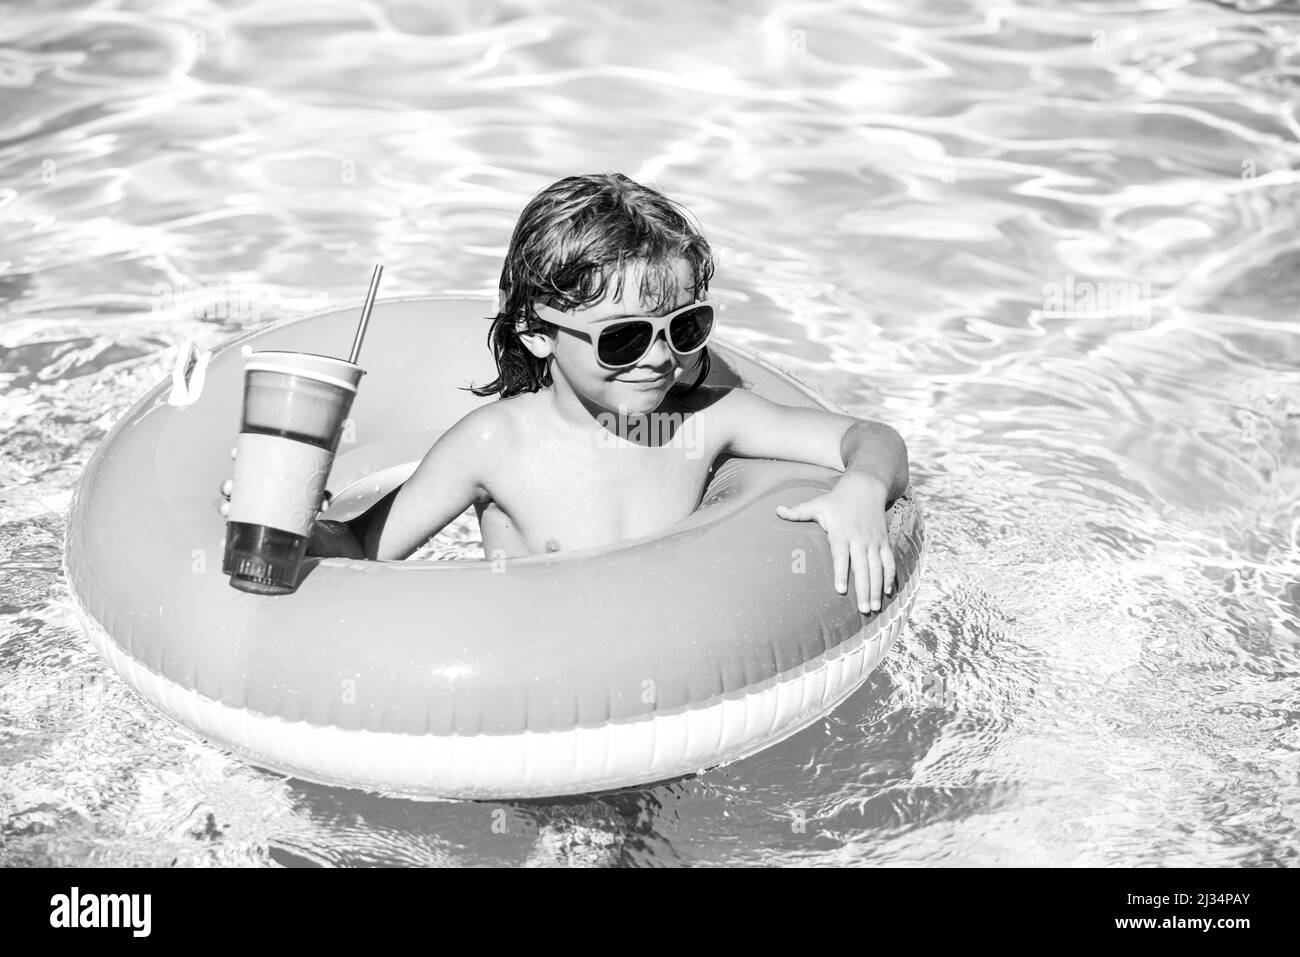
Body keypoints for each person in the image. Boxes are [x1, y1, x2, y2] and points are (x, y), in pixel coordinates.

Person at [220, 173, 908, 613]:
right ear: (537, 332)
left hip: (661, 690)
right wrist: (293, 515)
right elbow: (367, 550)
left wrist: (863, 489)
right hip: (529, 694)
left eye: (686, 327)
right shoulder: (495, 443)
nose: (661, 357)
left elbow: (867, 438)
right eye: (623, 338)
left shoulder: (704, 422)